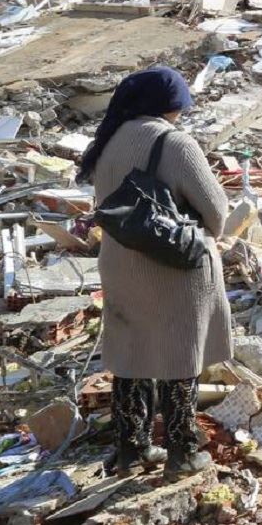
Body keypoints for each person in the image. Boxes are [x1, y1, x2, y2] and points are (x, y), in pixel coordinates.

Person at [78, 67, 228, 476]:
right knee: (180, 356)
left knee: (132, 355)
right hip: (172, 268)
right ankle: (182, 452)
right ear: (170, 105)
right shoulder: (176, 144)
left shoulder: (108, 142)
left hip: (120, 265)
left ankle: (131, 450)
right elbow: (217, 215)